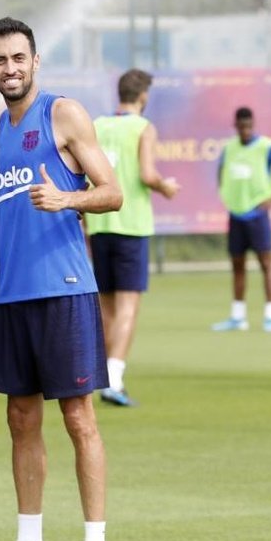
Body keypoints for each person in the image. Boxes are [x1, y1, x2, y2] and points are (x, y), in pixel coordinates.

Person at [0, 17, 121, 541]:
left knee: (79, 418)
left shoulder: (63, 113)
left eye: (18, 58)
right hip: (13, 294)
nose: (9, 68)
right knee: (19, 419)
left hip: (65, 291)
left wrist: (68, 198)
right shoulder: (0, 126)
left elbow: (112, 192)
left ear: (35, 61)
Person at [84, 69, 180, 407]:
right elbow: (147, 174)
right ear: (143, 96)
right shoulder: (143, 127)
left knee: (108, 308)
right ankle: (115, 379)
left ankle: (104, 378)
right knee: (128, 307)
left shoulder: (98, 124)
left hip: (100, 225)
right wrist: (165, 186)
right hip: (131, 225)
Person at [211, 106, 271, 333]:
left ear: (254, 125)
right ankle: (238, 317)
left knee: (266, 264)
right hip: (236, 214)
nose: (246, 131)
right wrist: (226, 194)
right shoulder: (229, 148)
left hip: (258, 215)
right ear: (236, 126)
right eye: (242, 127)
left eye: (249, 126)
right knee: (237, 265)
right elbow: (220, 172)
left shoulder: (266, 147)